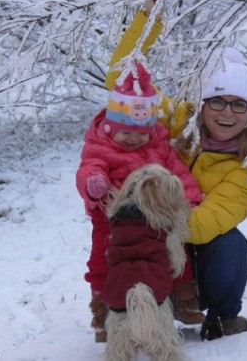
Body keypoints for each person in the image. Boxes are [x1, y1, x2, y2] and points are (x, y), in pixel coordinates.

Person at [105, 0, 247, 340]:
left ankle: (222, 314)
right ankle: (122, 309)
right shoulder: (179, 121)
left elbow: (209, 221)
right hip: (150, 233)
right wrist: (148, 22)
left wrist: (154, 221)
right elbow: (123, 83)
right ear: (202, 104)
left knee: (232, 243)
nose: (227, 112)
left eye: (238, 105)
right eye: (218, 102)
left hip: (191, 240)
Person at [76, 60, 205, 343]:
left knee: (175, 250)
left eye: (141, 133)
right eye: (127, 132)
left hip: (155, 213)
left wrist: (190, 201)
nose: (134, 139)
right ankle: (103, 310)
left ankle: (183, 298)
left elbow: (179, 175)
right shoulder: (101, 146)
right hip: (111, 213)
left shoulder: (158, 146)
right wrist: (94, 184)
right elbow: (89, 168)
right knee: (103, 258)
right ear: (110, 128)